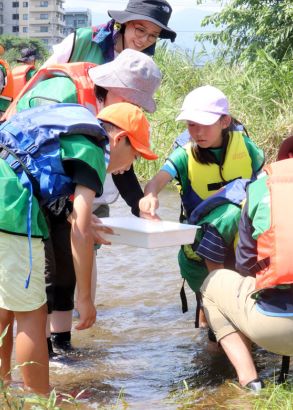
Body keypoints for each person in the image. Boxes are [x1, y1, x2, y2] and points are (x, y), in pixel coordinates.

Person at [3, 49, 162, 356]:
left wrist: (83, 218)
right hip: (13, 197)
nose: (130, 166)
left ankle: (43, 361)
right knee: (32, 303)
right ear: (118, 140)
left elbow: (59, 180)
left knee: (42, 282)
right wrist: (86, 299)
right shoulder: (93, 145)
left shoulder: (92, 129)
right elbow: (80, 230)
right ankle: (34, 391)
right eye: (135, 155)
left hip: (24, 191)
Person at [139, 85, 264, 326]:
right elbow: (156, 182)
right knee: (213, 322)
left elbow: (267, 180)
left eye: (204, 124)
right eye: (191, 125)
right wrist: (150, 196)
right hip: (203, 243)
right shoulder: (184, 155)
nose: (197, 132)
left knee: (245, 312)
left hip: (243, 241)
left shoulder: (246, 148)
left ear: (225, 121)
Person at [200, 134, 293, 391]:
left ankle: (251, 382)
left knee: (212, 283)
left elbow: (244, 264)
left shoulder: (260, 188)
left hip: (272, 327)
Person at [43, 0, 176, 67]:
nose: (144, 40)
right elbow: (43, 76)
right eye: (140, 30)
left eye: (153, 36)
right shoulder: (83, 40)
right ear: (125, 23)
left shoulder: (141, 64)